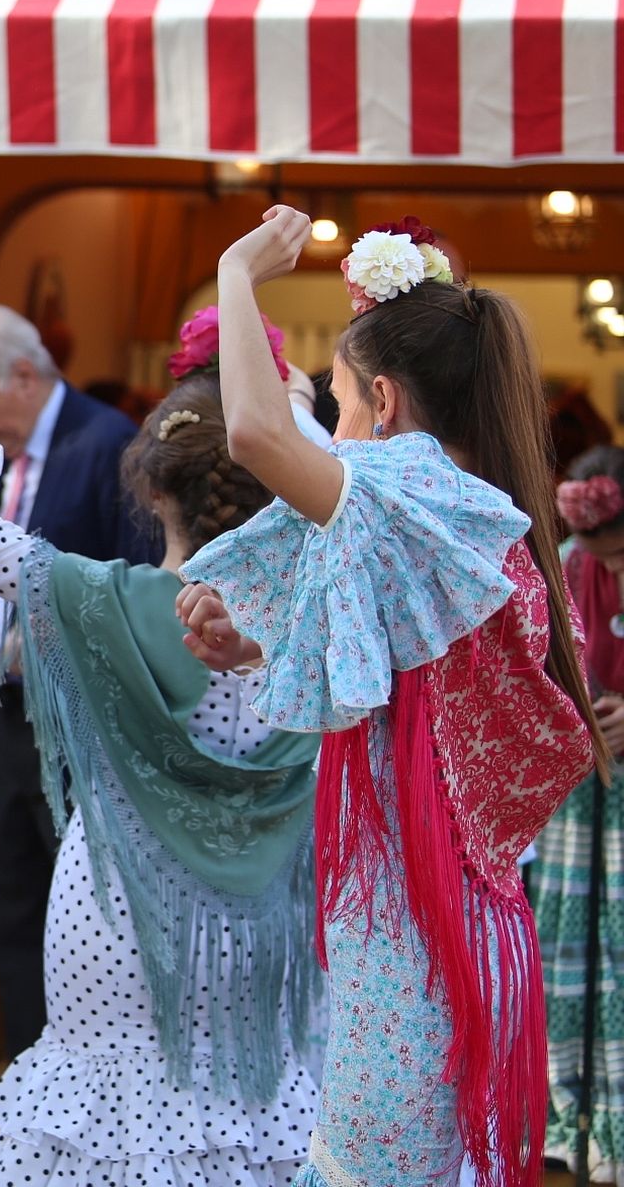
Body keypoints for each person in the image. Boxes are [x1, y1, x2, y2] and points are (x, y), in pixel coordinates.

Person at [0, 224, 324, 1185]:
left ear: (150, 489)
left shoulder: (96, 603)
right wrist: (288, 404)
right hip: (264, 926)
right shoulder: (327, 624)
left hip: (114, 921)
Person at [176, 207, 605, 1187]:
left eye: (333, 401)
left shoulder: (422, 495)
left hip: (417, 933)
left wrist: (236, 271)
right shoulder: (465, 513)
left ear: (383, 398)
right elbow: (406, 670)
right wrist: (256, 641)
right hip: (444, 920)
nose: (329, 426)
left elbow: (251, 430)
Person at [0, 302, 155, 1058]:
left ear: (22, 375)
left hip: (76, 723)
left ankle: (82, 1081)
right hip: (7, 714)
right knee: (13, 898)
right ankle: (26, 1080)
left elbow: (131, 588)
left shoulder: (103, 442)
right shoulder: (0, 451)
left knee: (78, 912)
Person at [534, 447, 624, 1184]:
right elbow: (539, 667)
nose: (611, 568)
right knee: (569, 945)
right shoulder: (564, 566)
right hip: (581, 785)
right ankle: (572, 1107)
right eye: (603, 555)